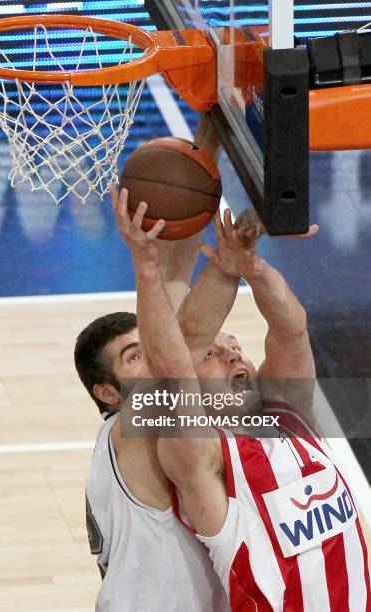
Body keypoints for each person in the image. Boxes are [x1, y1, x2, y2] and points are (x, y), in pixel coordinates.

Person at [115, 193, 370, 612]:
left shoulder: (291, 416)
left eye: (235, 347)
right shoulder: (206, 461)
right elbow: (172, 365)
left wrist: (252, 262)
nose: (233, 355)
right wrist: (147, 269)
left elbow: (291, 329)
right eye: (212, 356)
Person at [74, 116, 229, 611]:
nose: (158, 355)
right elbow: (182, 340)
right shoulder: (135, 426)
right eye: (133, 355)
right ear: (108, 393)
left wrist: (208, 143)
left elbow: (176, 275)